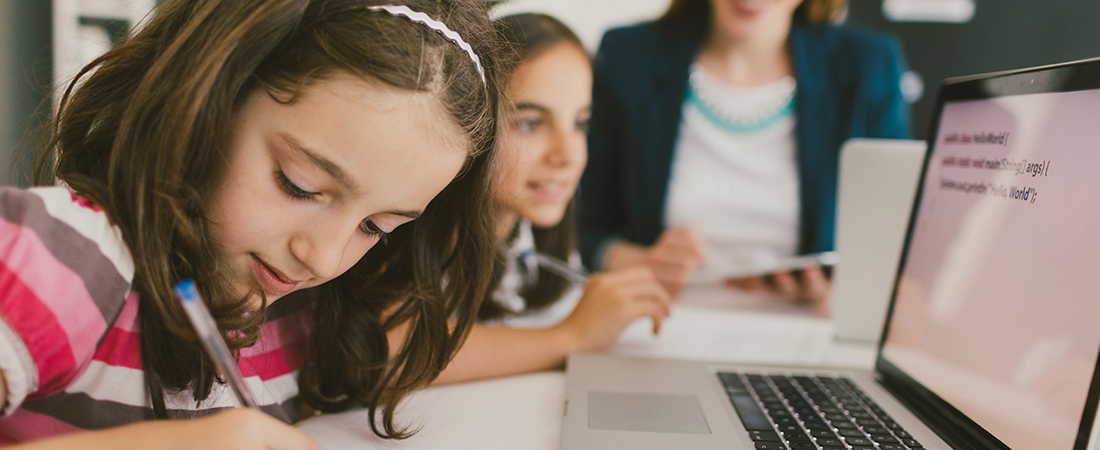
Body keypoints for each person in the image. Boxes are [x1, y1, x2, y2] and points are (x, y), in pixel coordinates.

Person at [0, 0, 501, 447]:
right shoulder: (64, 259)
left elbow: (402, 349)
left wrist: (567, 339)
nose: (323, 257)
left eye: (377, 227)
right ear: (204, 101)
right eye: (299, 185)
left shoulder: (304, 314)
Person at [579, 0, 912, 303]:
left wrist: (840, 291)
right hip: (661, 321)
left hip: (807, 333)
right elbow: (588, 231)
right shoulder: (628, 55)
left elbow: (889, 248)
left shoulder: (868, 65)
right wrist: (641, 263)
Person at [429, 13, 672, 385]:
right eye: (531, 123)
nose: (568, 155)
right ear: (470, 121)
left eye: (580, 124)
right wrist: (572, 337)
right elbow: (390, 348)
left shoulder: (532, 237)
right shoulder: (420, 229)